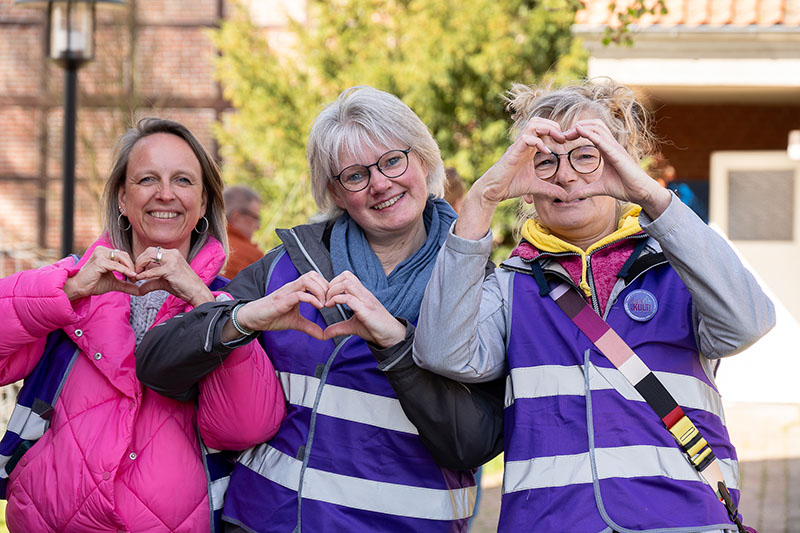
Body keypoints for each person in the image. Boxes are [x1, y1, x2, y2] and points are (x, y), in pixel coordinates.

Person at [413, 79, 775, 532]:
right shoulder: (510, 286)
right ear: (525, 187)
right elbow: (441, 351)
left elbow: (749, 323)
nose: (567, 176)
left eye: (588, 156)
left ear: (621, 167)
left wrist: (650, 196)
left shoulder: (681, 268)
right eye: (544, 162)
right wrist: (482, 200)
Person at [136, 86, 499, 532]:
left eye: (392, 161)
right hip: (266, 522)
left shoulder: (478, 285)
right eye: (355, 175)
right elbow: (156, 364)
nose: (380, 183)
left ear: (423, 159)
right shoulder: (288, 266)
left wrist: (396, 344)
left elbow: (472, 443)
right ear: (336, 192)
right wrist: (240, 319)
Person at [0, 118, 285, 532]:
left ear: (204, 203)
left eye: (183, 180)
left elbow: (245, 427)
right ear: (122, 198)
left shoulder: (232, 305)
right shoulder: (69, 287)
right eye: (147, 178)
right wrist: (73, 288)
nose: (165, 193)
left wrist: (206, 307)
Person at [222, 185, 264, 277]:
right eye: (255, 218)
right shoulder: (253, 257)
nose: (258, 227)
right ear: (236, 217)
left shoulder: (198, 241)